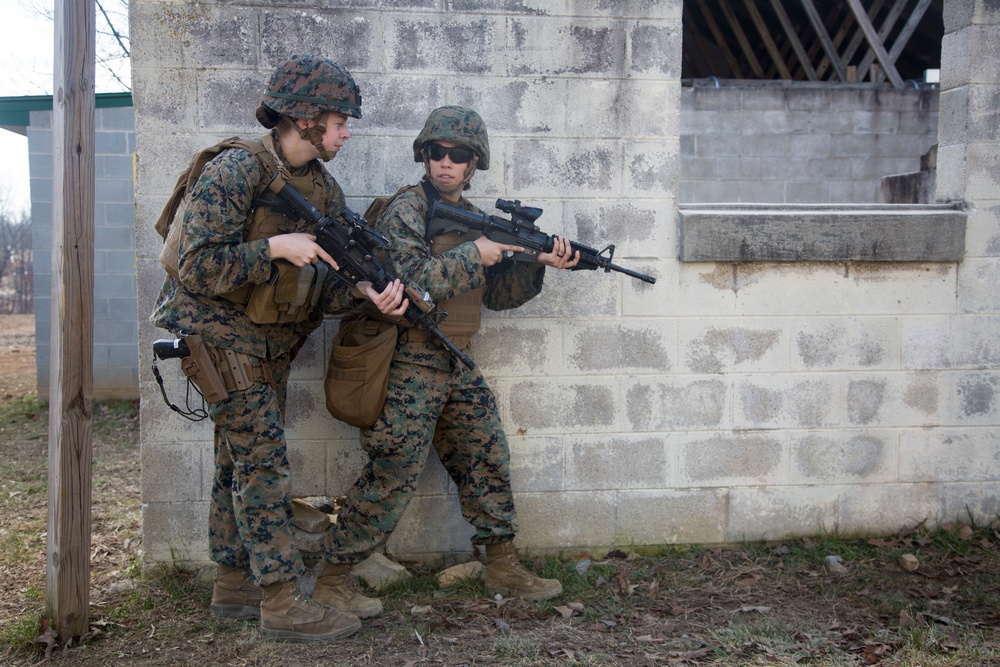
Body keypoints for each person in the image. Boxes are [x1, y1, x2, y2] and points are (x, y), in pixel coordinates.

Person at [149, 54, 408, 642]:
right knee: (263, 465)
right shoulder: (236, 170)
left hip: (267, 345)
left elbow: (336, 271)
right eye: (341, 119)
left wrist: (369, 289)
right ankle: (282, 600)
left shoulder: (320, 184)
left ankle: (234, 584)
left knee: (235, 462)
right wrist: (274, 247)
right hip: (218, 339)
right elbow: (196, 266)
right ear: (306, 117)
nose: (347, 131)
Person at [314, 106, 579, 613]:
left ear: (473, 163)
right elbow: (407, 284)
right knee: (392, 469)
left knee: (487, 457)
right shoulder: (407, 210)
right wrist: (475, 253)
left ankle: (500, 561)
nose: (446, 163)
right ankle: (333, 578)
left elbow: (497, 296)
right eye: (437, 152)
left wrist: (537, 262)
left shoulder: (477, 222)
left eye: (459, 156)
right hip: (408, 361)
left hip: (456, 360)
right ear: (425, 154)